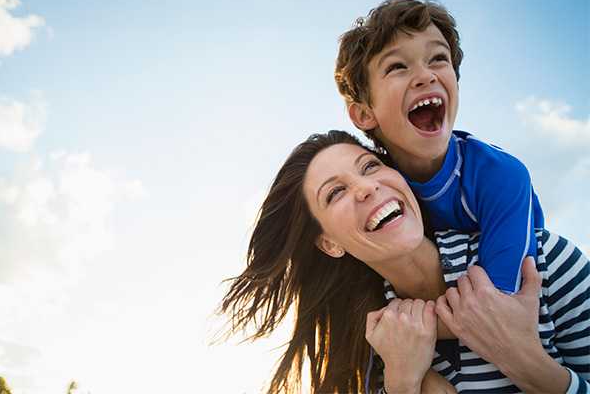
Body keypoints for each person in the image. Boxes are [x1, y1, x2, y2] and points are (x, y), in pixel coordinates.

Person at [219, 131, 590, 393]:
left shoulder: (539, 261)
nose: (365, 187)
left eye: (368, 167)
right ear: (330, 243)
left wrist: (529, 365)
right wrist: (403, 383)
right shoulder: (373, 358)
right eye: (335, 193)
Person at [335, 0, 543, 295]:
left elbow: (503, 305)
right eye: (397, 66)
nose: (425, 75)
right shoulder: (375, 190)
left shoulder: (501, 176)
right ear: (365, 113)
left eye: (438, 59)